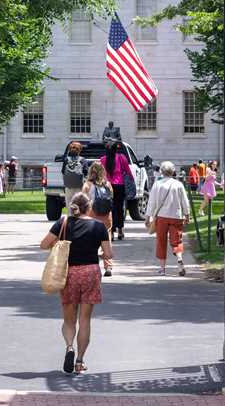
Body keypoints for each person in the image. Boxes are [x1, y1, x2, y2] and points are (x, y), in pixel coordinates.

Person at [40, 192, 111, 375]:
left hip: (68, 273)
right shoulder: (99, 226)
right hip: (90, 273)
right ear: (89, 207)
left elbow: (43, 244)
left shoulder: (63, 222)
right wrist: (99, 254)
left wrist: (59, 244)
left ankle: (69, 347)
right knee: (85, 320)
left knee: (69, 320)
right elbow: (109, 254)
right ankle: (79, 362)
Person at [145, 161, 191, 276]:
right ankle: (179, 259)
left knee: (161, 241)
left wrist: (148, 217)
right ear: (173, 171)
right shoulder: (178, 184)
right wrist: (187, 214)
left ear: (161, 171)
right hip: (176, 216)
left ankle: (162, 269)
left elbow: (151, 202)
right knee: (177, 240)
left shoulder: (157, 184)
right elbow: (185, 201)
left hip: (162, 217)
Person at [82, 162, 115, 276]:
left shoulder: (87, 185)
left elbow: (83, 201)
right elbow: (111, 198)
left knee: (90, 241)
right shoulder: (108, 184)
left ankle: (91, 265)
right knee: (107, 239)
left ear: (91, 172)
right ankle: (108, 266)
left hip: (92, 215)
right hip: (106, 215)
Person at [103, 141, 132, 241]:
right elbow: (128, 171)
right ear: (116, 149)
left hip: (107, 186)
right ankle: (120, 231)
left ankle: (111, 232)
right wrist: (131, 180)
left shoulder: (102, 159)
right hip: (119, 185)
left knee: (109, 210)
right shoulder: (121, 158)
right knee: (119, 208)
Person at [61, 141, 86, 208]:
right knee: (78, 205)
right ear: (80, 150)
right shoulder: (82, 160)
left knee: (69, 205)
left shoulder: (66, 160)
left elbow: (63, 171)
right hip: (79, 186)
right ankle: (77, 218)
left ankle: (70, 217)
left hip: (68, 186)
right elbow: (86, 172)